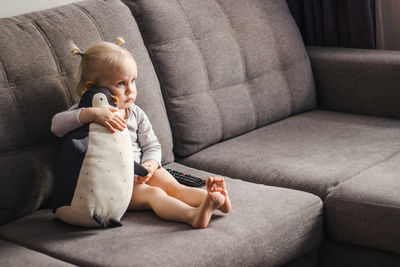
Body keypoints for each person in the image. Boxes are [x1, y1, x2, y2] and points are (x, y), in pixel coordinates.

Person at [51, 38, 231, 228]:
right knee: (155, 195)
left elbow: (152, 145)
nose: (130, 90)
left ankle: (215, 200)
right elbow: (56, 126)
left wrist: (151, 164)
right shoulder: (88, 111)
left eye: (133, 81)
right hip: (121, 180)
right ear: (92, 88)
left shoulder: (135, 112)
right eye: (121, 83)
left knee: (175, 188)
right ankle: (192, 215)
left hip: (146, 170)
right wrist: (91, 113)